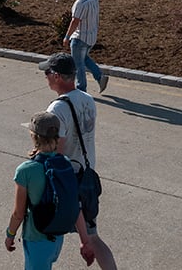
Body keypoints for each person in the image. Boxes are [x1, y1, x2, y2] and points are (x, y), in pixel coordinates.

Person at [40, 54, 117, 270]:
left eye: (47, 73)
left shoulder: (56, 109)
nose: (45, 77)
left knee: (48, 235)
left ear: (56, 76)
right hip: (87, 178)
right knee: (92, 236)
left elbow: (58, 151)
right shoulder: (87, 99)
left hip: (68, 181)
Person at [5, 111, 95, 269]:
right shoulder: (65, 164)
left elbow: (18, 213)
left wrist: (10, 235)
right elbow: (75, 205)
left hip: (36, 238)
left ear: (34, 137)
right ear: (57, 137)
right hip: (57, 238)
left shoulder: (25, 170)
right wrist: (84, 240)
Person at [64, 0, 108, 93]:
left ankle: (81, 89)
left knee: (78, 65)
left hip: (80, 37)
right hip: (91, 36)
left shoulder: (80, 2)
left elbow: (75, 21)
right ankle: (100, 76)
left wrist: (67, 37)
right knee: (84, 58)